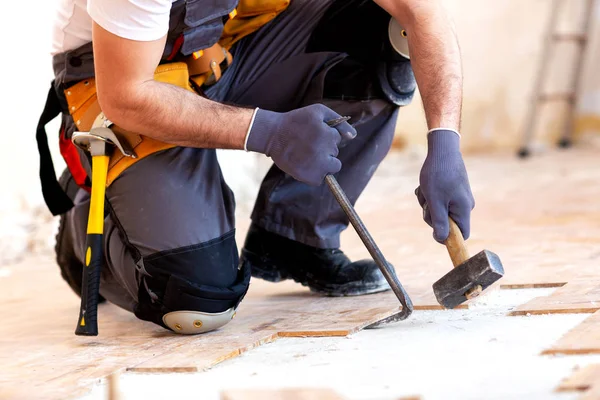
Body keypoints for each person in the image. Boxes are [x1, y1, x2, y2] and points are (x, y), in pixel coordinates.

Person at [37, 0, 475, 334]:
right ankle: (87, 222)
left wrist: (445, 140)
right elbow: (128, 94)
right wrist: (269, 132)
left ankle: (297, 236)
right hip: (123, 77)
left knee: (378, 28)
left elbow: (421, 13)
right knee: (195, 303)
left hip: (221, 50)